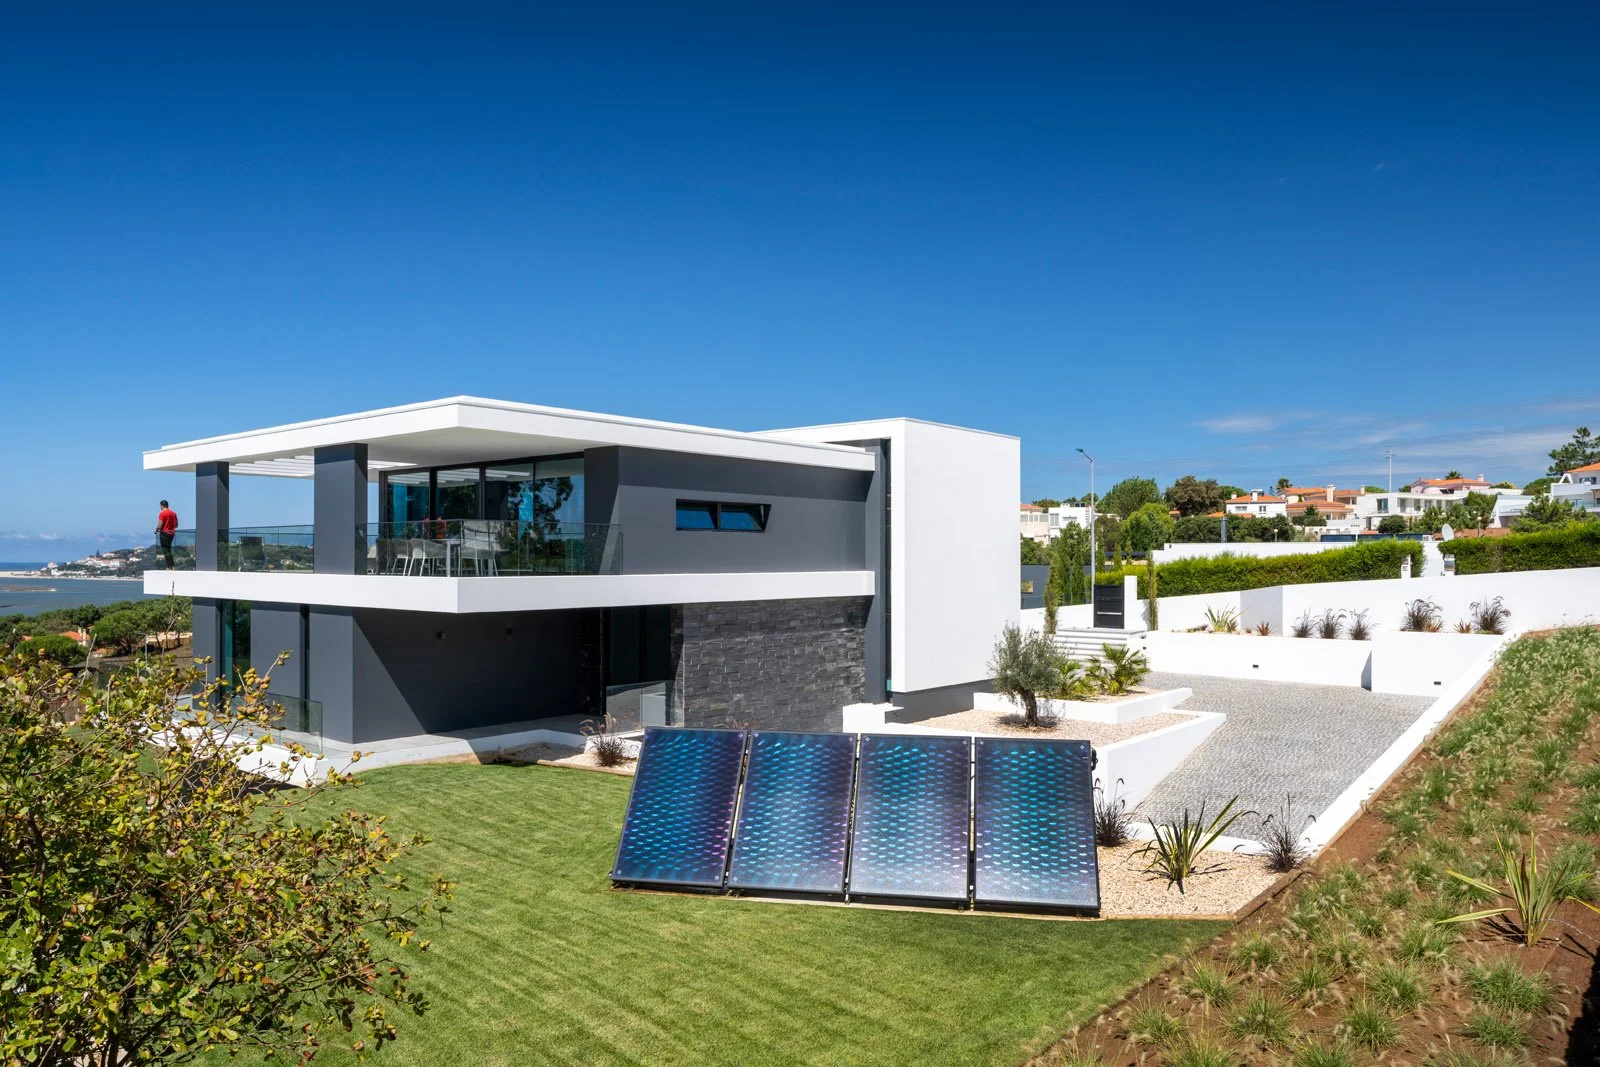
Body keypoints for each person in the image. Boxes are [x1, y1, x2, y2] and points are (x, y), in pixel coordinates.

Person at [155, 499, 179, 570]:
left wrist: (156, 530)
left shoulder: (162, 514)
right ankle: (172, 566)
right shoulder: (174, 513)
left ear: (161, 505)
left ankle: (170, 566)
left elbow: (160, 525)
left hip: (164, 533)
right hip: (171, 533)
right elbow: (176, 525)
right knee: (169, 549)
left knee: (165, 550)